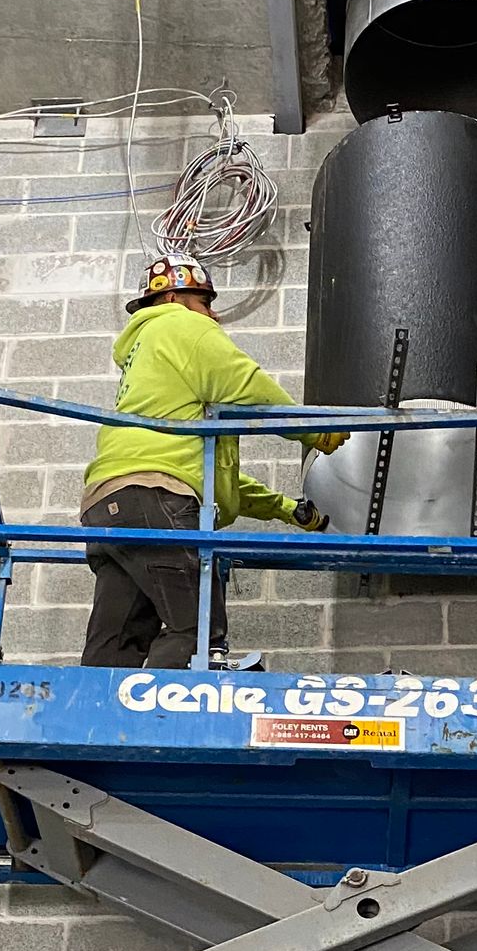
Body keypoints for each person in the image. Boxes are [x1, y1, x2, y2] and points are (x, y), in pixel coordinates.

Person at [79, 256, 344, 669]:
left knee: (116, 645)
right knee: (198, 630)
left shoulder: (153, 367)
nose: (213, 313)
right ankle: (168, 708)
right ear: (173, 299)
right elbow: (246, 384)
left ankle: (97, 710)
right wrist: (314, 431)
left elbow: (213, 477)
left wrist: (286, 509)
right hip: (154, 496)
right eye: (204, 302)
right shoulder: (180, 325)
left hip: (109, 505)